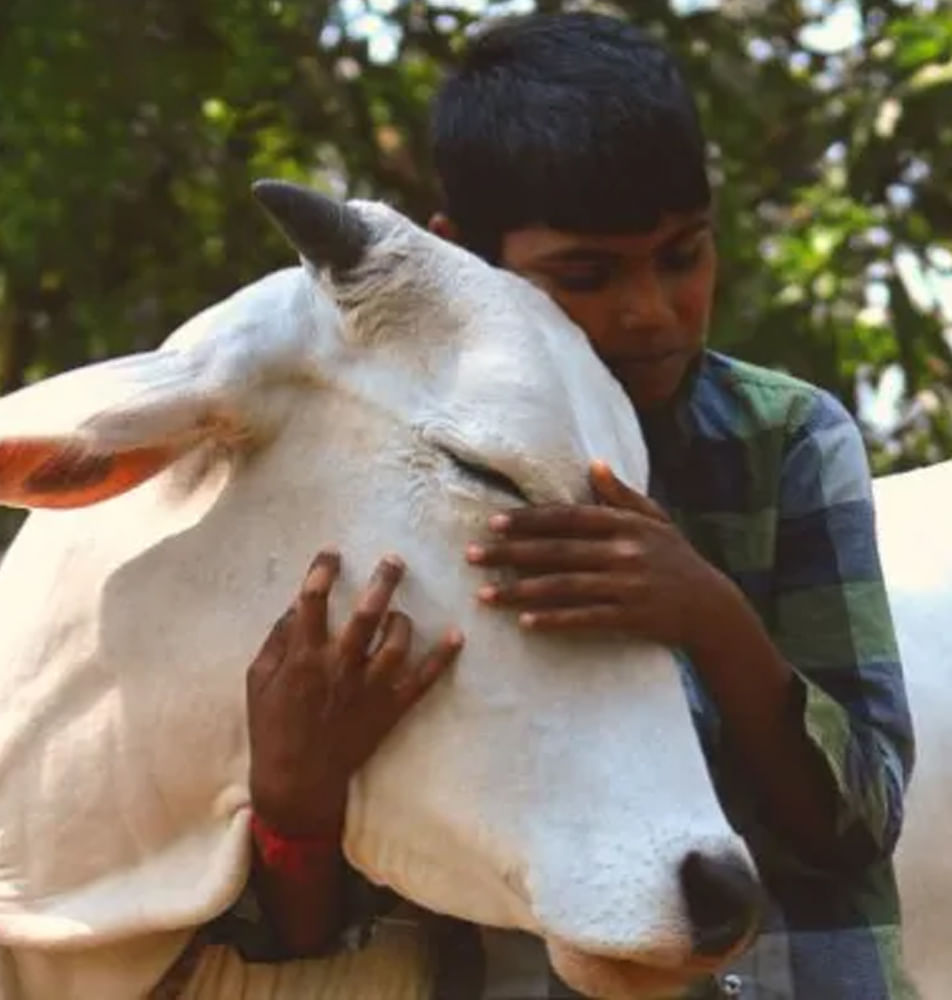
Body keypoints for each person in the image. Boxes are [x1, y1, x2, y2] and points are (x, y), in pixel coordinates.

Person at [208, 12, 916, 1000]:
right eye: (585, 274)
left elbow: (861, 816)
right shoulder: (386, 480)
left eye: (682, 255)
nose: (651, 311)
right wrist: (295, 804)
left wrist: (709, 616)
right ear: (463, 261)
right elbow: (344, 935)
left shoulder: (788, 444)